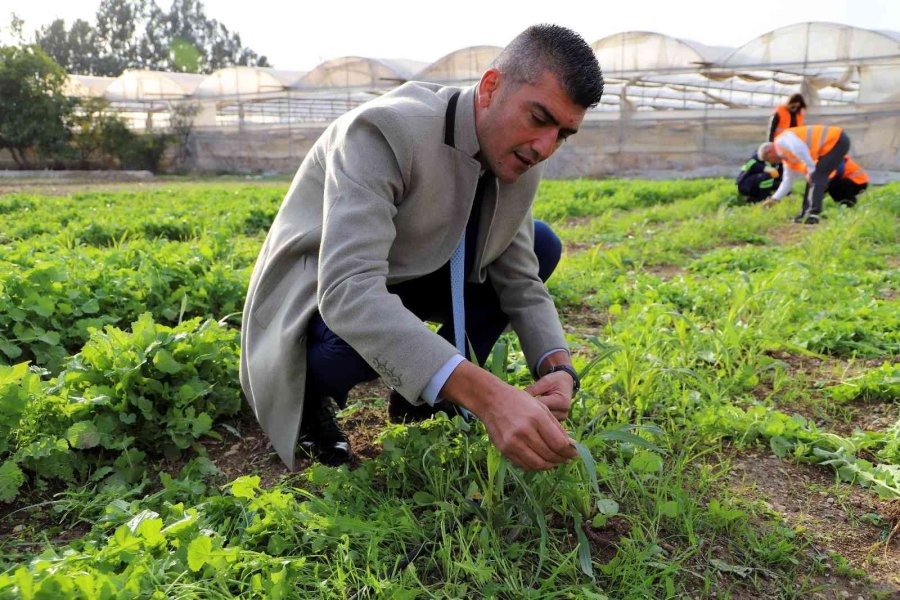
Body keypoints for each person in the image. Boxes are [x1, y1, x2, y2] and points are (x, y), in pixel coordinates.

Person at [240, 25, 605, 472]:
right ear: (490, 88)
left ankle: (423, 399)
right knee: (353, 338)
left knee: (541, 243)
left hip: (404, 276)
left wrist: (557, 367)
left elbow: (521, 280)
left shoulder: (519, 158)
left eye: (564, 133)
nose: (546, 147)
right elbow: (350, 293)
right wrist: (489, 397)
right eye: (539, 118)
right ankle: (310, 401)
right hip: (317, 301)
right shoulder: (385, 131)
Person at [758, 125, 851, 224]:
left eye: (768, 160)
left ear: (769, 152)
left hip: (837, 140)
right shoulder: (787, 158)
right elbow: (787, 181)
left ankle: (813, 214)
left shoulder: (782, 141)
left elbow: (799, 148)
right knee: (813, 177)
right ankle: (804, 214)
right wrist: (774, 199)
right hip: (832, 144)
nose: (772, 163)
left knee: (816, 175)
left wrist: (811, 169)